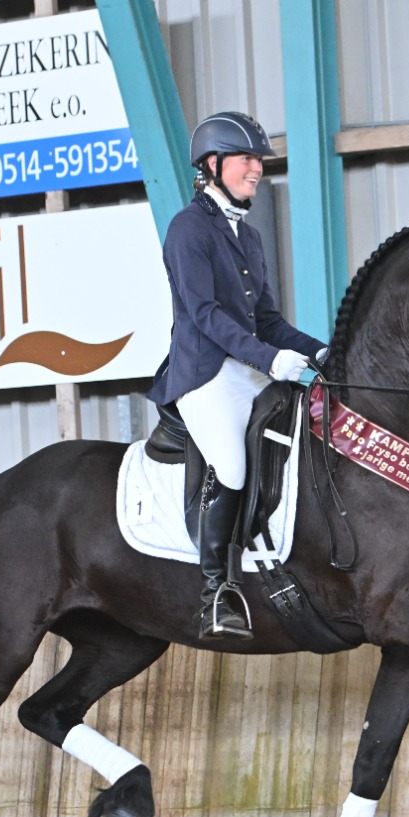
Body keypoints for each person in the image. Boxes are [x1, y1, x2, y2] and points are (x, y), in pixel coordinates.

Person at [148, 111, 327, 641]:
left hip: (248, 366)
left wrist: (321, 351)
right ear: (212, 164)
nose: (257, 170)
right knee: (230, 466)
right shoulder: (188, 229)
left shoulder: (247, 238)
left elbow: (267, 320)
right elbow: (205, 315)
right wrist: (270, 360)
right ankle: (215, 593)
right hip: (206, 374)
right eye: (248, 159)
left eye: (258, 161)